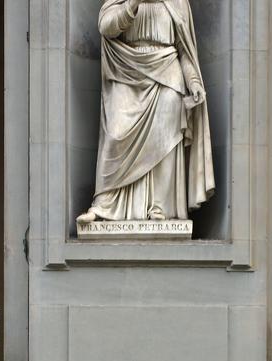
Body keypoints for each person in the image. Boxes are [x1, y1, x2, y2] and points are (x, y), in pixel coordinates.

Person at [77, 0, 214, 223]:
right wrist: (132, 3)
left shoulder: (178, 3)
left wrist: (194, 81)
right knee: (116, 133)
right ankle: (105, 204)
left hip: (167, 74)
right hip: (126, 73)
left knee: (165, 138)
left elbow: (185, 51)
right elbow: (106, 27)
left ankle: (160, 207)